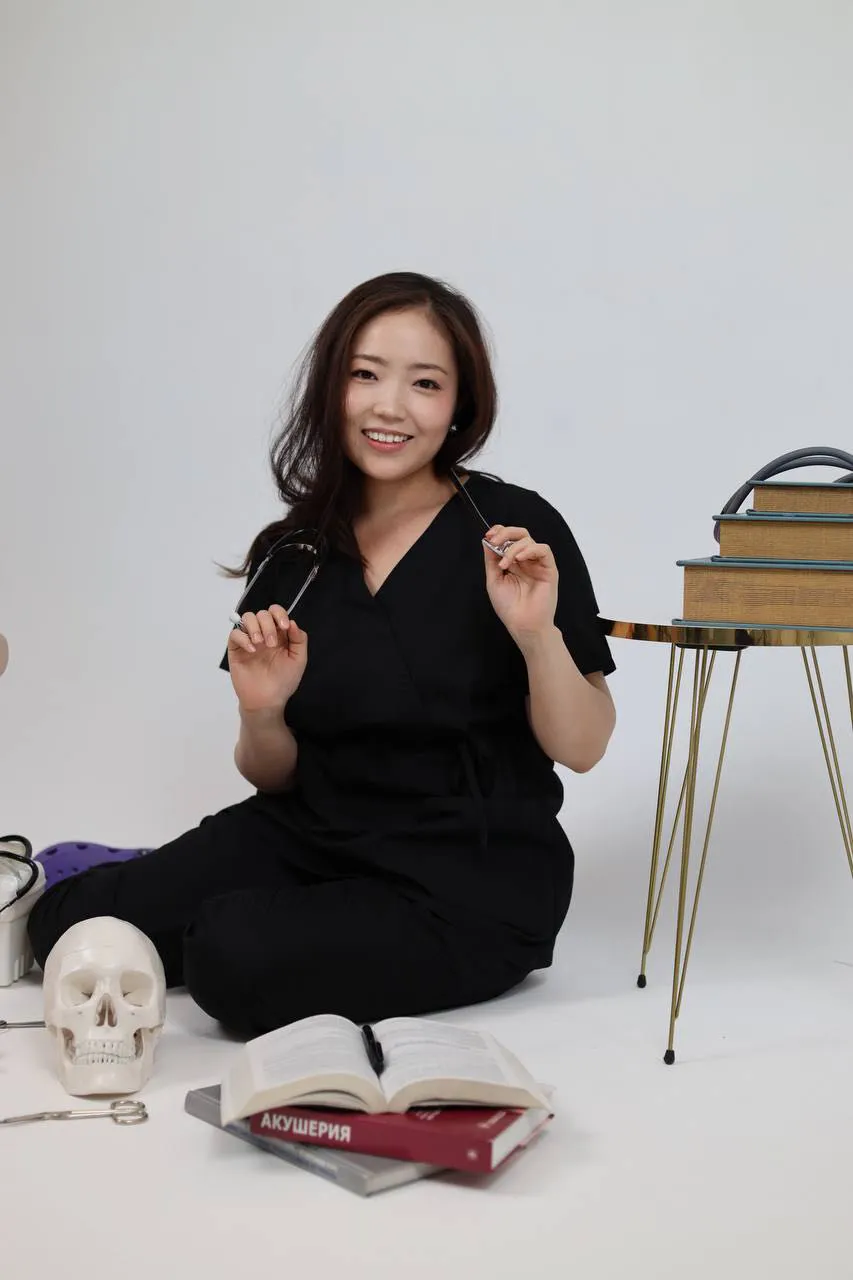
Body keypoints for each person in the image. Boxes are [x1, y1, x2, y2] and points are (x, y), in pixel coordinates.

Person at [27, 271, 616, 1038]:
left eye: (424, 383)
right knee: (65, 924)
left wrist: (536, 633)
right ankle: (141, 879)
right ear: (331, 385)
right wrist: (261, 710)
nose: (389, 406)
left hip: (466, 879)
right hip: (307, 835)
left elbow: (584, 747)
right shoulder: (297, 551)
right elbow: (272, 775)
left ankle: (220, 904)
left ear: (458, 404)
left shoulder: (511, 531)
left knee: (230, 957)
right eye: (365, 374)